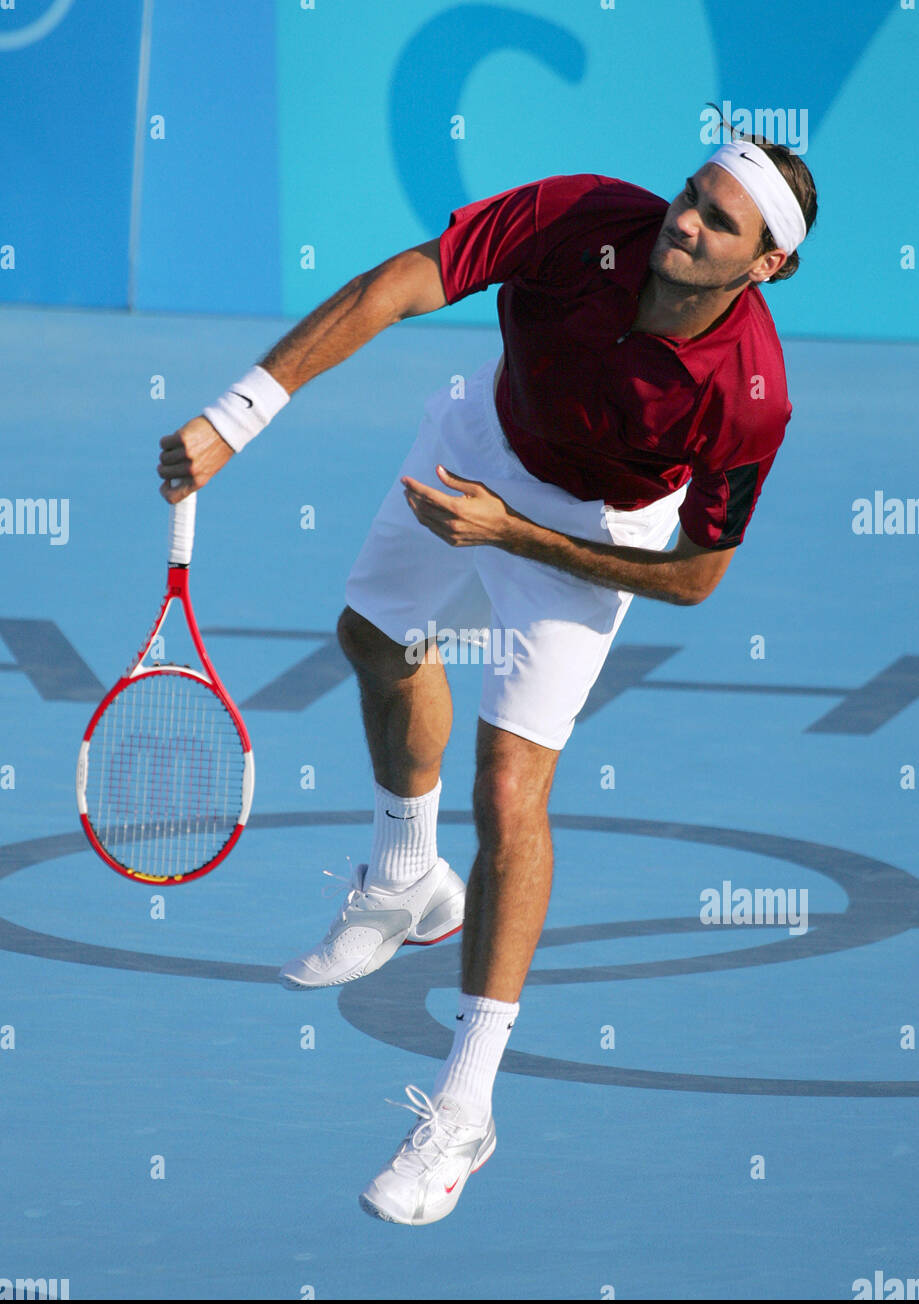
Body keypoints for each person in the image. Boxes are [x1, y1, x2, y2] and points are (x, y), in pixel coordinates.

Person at [158, 125, 817, 1226]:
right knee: (373, 638)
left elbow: (694, 580)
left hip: (594, 527)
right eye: (688, 194)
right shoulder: (581, 218)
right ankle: (407, 877)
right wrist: (239, 415)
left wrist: (510, 535)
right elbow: (402, 282)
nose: (683, 223)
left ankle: (463, 1110)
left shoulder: (749, 396)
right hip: (482, 435)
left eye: (718, 223)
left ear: (766, 267)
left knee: (510, 792)